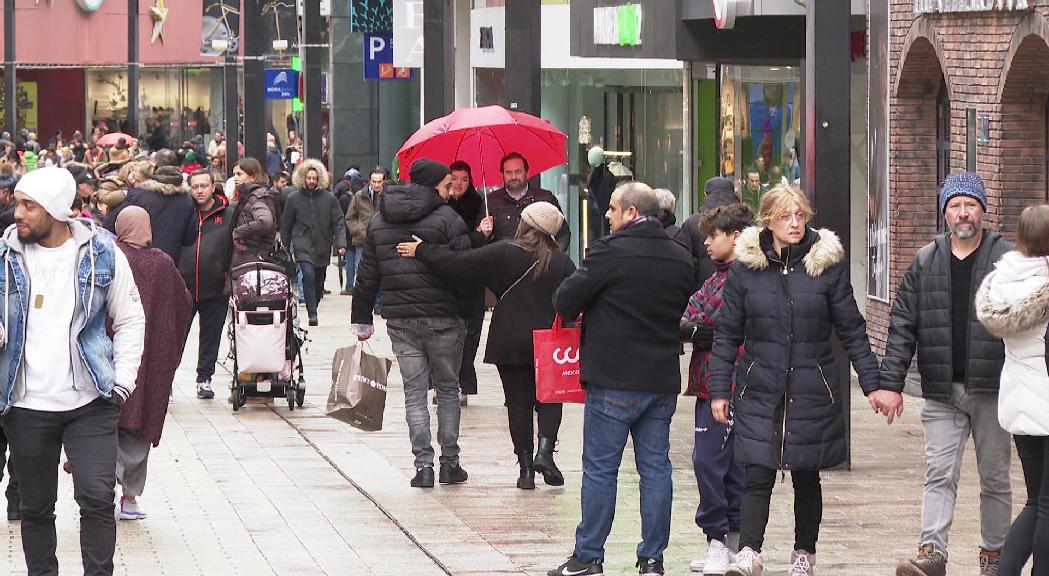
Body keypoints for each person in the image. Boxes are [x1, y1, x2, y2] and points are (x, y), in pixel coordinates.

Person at [707, 184, 897, 576]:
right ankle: (748, 551)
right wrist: (719, 389)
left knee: (806, 474)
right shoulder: (747, 268)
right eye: (785, 216)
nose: (794, 223)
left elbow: (852, 330)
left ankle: (803, 554)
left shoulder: (825, 266)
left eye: (800, 215)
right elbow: (727, 333)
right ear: (768, 221)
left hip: (812, 385)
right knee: (756, 469)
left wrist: (873, 384)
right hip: (760, 385)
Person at [0, 166, 145, 576]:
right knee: (35, 506)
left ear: (57, 211)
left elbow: (131, 317)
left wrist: (122, 382)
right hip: (25, 403)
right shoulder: (3, 256)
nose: (18, 213)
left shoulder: (102, 253)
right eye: (18, 202)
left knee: (97, 499)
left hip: (91, 400)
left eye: (29, 205)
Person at [548, 182, 693, 576]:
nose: (606, 215)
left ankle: (588, 556)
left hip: (614, 378)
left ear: (631, 212)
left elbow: (565, 300)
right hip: (660, 379)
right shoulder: (680, 257)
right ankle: (652, 559)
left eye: (612, 209)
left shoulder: (609, 252)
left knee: (600, 469)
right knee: (656, 470)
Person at [886, 172, 1014, 576]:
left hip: (992, 389)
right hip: (942, 390)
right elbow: (902, 324)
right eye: (956, 205)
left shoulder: (1005, 260)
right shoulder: (926, 260)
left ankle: (994, 556)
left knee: (995, 478)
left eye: (971, 205)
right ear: (945, 212)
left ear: (983, 211)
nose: (964, 213)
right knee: (939, 474)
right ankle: (932, 552)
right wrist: (891, 384)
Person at [397, 201, 575, 489]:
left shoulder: (505, 251)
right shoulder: (563, 261)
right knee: (550, 398)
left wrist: (422, 250)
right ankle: (545, 451)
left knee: (518, 403)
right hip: (550, 342)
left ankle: (526, 470)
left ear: (526, 224)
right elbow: (573, 301)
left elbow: (457, 264)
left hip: (510, 340)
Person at [351, 158, 471, 489]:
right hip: (444, 317)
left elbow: (367, 274)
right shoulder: (448, 219)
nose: (450, 190)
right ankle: (450, 463)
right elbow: (464, 269)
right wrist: (467, 313)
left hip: (401, 318)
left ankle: (424, 467)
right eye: (447, 185)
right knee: (447, 388)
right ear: (432, 185)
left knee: (414, 391)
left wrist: (361, 318)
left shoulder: (379, 220)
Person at [974, 204, 1049, 576]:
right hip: (1046, 404)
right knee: (1047, 505)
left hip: (1019, 403)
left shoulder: (1002, 279)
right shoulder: (1045, 286)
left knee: (1036, 500)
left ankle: (1005, 571)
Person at [679, 203, 753, 575]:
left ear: (736, 236)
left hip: (731, 383)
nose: (706, 242)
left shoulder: (743, 276)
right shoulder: (716, 275)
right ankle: (724, 542)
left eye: (713, 235)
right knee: (723, 465)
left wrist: (699, 327)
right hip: (708, 382)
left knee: (711, 462)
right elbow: (691, 315)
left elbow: (707, 321)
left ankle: (721, 541)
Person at [112, 207, 192, 521]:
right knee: (140, 425)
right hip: (151, 361)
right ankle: (129, 498)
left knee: (107, 424)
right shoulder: (161, 263)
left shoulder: (112, 256)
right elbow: (183, 302)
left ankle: (102, 489)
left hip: (113, 355)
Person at [179, 169, 235, 400]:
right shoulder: (183, 213)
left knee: (211, 335)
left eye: (204, 186)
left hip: (216, 286)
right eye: (195, 186)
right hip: (183, 287)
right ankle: (166, 381)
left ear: (213, 187)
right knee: (176, 336)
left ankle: (204, 379)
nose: (199, 191)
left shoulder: (229, 213)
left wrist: (229, 276)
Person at [103, 149, 197, 267]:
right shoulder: (187, 198)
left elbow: (109, 224)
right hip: (171, 265)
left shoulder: (138, 195)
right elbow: (190, 238)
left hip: (138, 264)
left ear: (155, 166)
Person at [281, 159, 346, 326]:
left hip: (322, 243)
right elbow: (286, 224)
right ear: (303, 178)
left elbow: (338, 221)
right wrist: (285, 246)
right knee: (308, 275)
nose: (311, 181)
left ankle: (314, 304)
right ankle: (312, 313)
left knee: (319, 280)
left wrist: (341, 243)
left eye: (314, 178)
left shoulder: (329, 199)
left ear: (319, 179)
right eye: (308, 178)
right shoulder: (293, 198)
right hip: (301, 242)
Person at [447, 160, 487, 404]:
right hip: (448, 275)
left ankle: (464, 381)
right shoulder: (440, 204)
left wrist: (484, 232)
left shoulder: (479, 204)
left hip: (472, 276)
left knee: (471, 332)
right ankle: (447, 382)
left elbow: (479, 243)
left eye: (464, 179)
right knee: (448, 331)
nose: (459, 183)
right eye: (455, 178)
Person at [486, 152, 570, 251]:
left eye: (518, 172)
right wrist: (483, 234)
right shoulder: (490, 201)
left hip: (537, 263)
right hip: (502, 263)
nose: (513, 177)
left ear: (527, 172)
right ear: (502, 174)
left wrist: (553, 258)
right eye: (508, 172)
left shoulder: (545, 198)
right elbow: (476, 242)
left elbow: (563, 233)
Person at [677, 177, 741, 291]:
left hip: (700, 290)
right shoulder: (742, 221)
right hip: (737, 286)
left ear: (706, 194)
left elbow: (683, 260)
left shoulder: (693, 222)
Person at [229, 157, 280, 270]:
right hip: (250, 256)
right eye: (234, 174)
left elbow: (265, 222)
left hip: (252, 256)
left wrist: (238, 232)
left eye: (239, 174)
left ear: (252, 176)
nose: (235, 178)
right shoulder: (250, 195)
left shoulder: (257, 196)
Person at [343, 167, 384, 296]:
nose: (376, 185)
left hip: (382, 239)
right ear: (369, 181)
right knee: (362, 271)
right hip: (362, 239)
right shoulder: (359, 196)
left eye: (379, 182)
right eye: (374, 181)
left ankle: (378, 303)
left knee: (381, 271)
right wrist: (358, 230)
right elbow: (350, 217)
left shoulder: (388, 196)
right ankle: (364, 298)